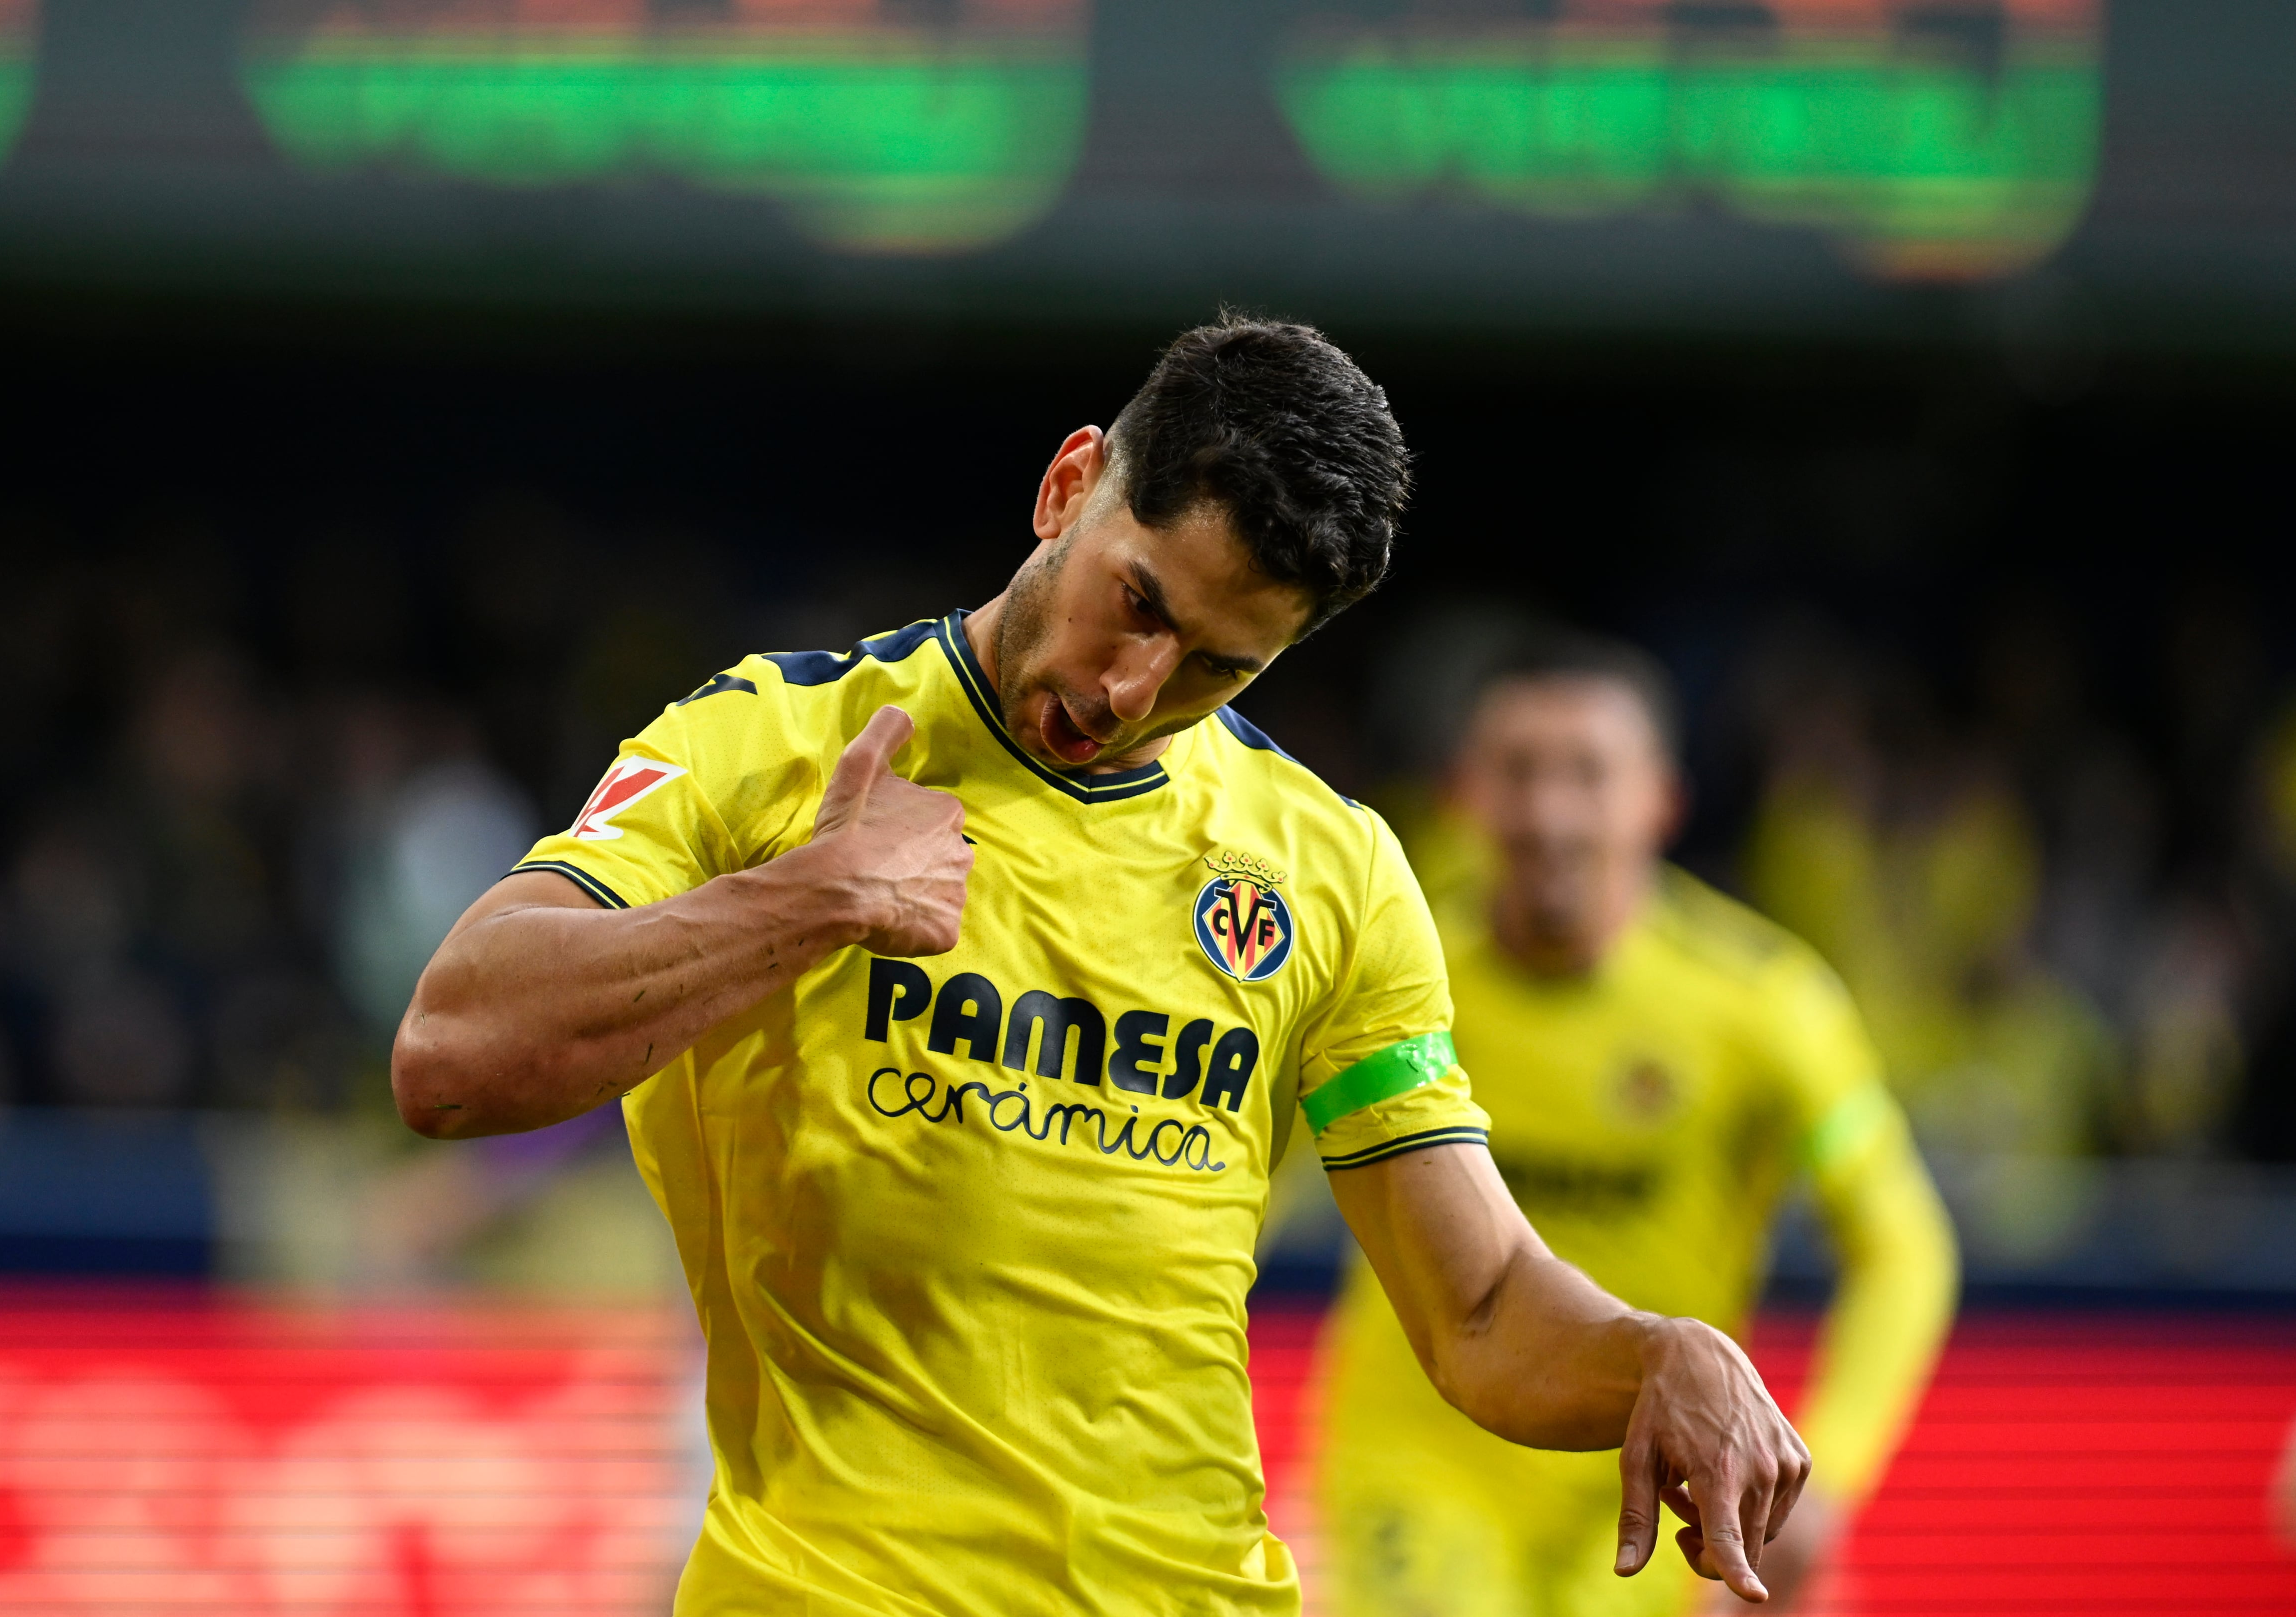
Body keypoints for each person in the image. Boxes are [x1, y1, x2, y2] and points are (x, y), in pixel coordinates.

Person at [392, 318, 1810, 1617]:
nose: (1133, 691)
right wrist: (799, 904)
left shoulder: (1330, 869)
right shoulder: (774, 745)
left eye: (1215, 667)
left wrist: (1653, 1353)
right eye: (1135, 601)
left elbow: (1481, 1302)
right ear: (1070, 485)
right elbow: (451, 1054)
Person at [1317, 629, 1959, 1617]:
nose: (1546, 812)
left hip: (1663, 1487)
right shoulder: (1391, 975)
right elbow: (1238, 1183)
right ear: (1463, 794)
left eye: (1585, 773)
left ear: (1661, 796)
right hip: (1421, 1471)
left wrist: (1822, 1487)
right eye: (1517, 772)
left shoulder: (1762, 1008)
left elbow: (1901, 1250)